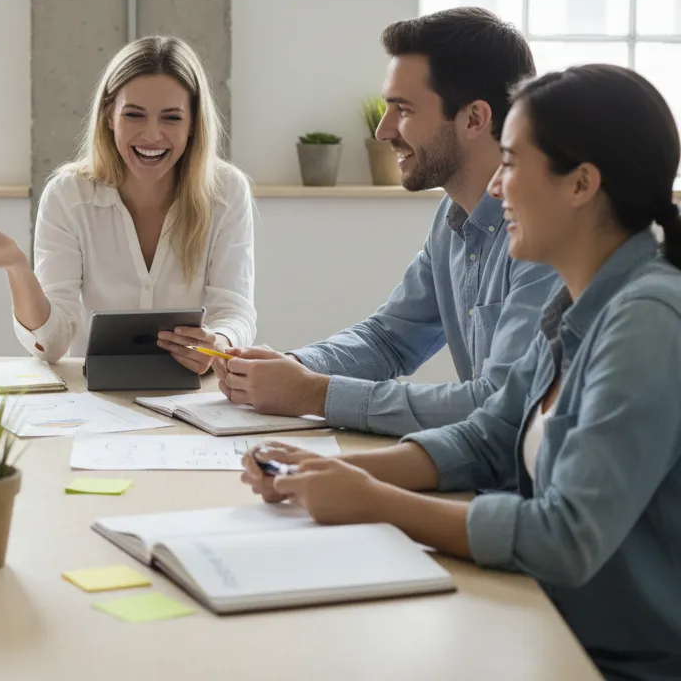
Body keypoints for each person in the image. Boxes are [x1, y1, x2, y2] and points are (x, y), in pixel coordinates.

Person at [242, 65, 681, 680]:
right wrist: (327, 470)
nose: (496, 187)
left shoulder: (647, 322)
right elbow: (487, 437)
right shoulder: (577, 305)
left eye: (511, 164)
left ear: (581, 183)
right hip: (542, 623)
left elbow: (564, 537)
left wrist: (376, 502)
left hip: (615, 662)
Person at [215, 7, 559, 435]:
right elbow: (391, 338)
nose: (382, 131)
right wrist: (293, 367)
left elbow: (500, 404)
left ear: (474, 118)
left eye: (404, 110)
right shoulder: (451, 220)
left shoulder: (546, 238)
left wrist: (313, 394)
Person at [0, 35, 255, 371]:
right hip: (97, 401)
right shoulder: (68, 196)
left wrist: (218, 343)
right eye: (134, 115)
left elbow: (235, 312)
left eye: (171, 118)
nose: (151, 135)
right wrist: (17, 267)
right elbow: (52, 345)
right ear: (109, 116)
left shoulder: (226, 192)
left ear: (193, 125)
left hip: (195, 396)